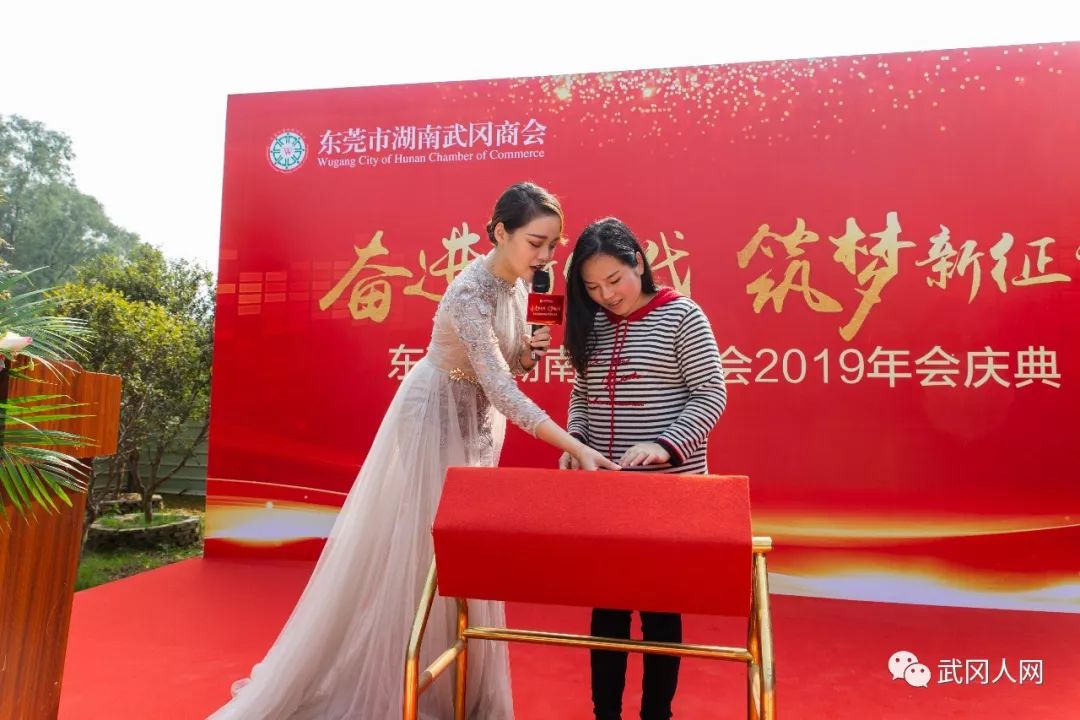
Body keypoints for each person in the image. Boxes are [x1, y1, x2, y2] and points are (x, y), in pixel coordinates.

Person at [209, 183, 618, 720]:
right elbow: (501, 388)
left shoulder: (520, 284)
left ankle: (459, 684)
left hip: (479, 422)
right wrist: (574, 445)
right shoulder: (468, 293)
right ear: (501, 232)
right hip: (434, 416)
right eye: (536, 243)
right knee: (426, 551)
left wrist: (529, 351)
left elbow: (508, 369)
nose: (545, 257)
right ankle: (407, 685)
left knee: (466, 549)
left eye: (552, 245)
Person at [559, 217, 727, 720]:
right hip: (606, 494)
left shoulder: (682, 316)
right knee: (607, 611)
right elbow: (582, 395)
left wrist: (664, 444)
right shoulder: (592, 325)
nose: (607, 295)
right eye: (592, 287)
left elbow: (711, 394)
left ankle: (657, 713)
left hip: (666, 493)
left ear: (638, 261)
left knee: (659, 612)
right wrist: (575, 441)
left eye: (615, 280)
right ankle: (604, 713)